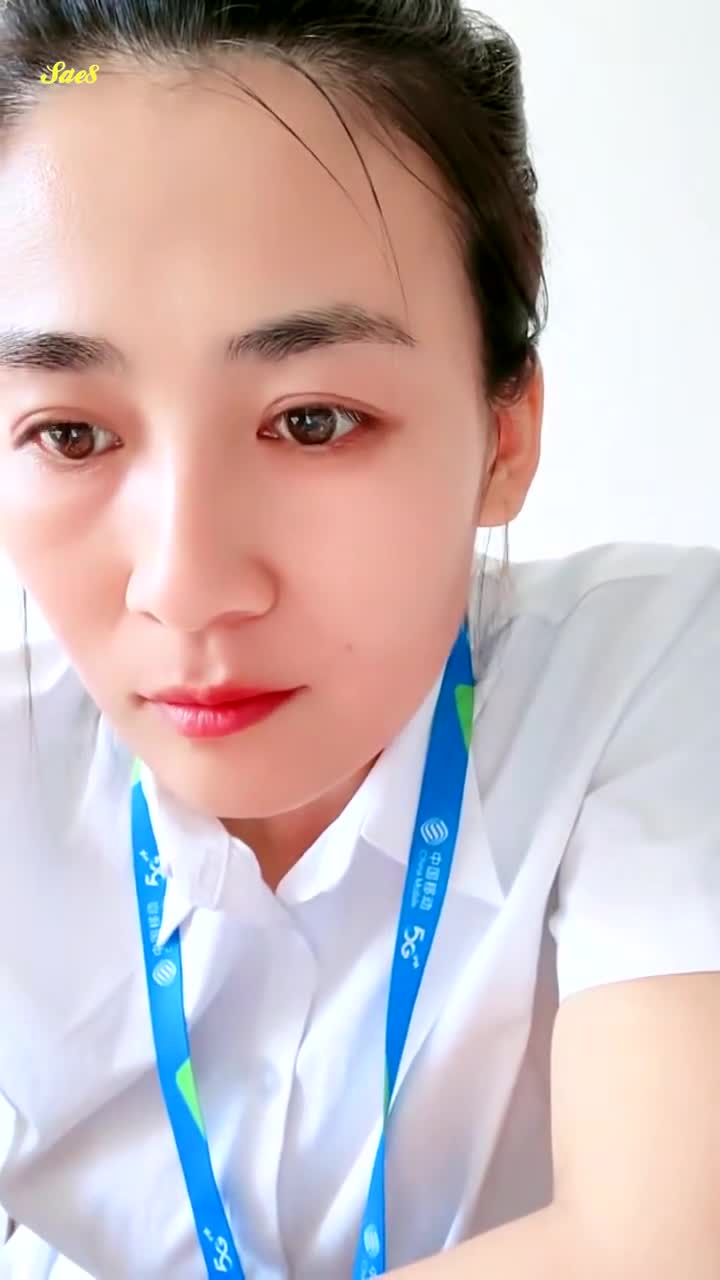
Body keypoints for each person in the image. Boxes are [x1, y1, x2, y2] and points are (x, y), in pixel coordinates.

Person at [0, 1, 718, 1277]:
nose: (187, 587)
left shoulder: (657, 675)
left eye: (314, 421)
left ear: (505, 434)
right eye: (70, 433)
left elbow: (661, 1240)